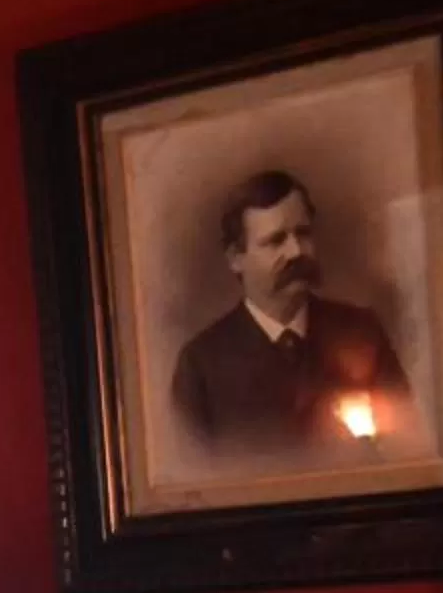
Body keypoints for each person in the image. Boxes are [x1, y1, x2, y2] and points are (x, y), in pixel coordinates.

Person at [168, 169, 410, 454]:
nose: (297, 251)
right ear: (236, 259)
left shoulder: (363, 333)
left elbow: (408, 446)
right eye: (276, 240)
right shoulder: (200, 364)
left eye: (303, 234)